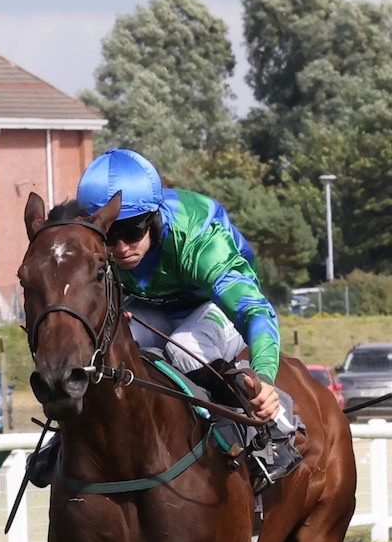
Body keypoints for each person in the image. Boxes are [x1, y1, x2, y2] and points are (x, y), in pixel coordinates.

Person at [29, 148, 300, 490]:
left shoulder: (198, 242)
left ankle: (273, 427)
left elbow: (254, 311)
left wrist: (264, 376)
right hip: (146, 306)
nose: (123, 247)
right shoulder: (94, 245)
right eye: (112, 235)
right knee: (107, 352)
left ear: (153, 218)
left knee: (185, 349)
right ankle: (66, 440)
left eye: (134, 232)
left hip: (209, 306)